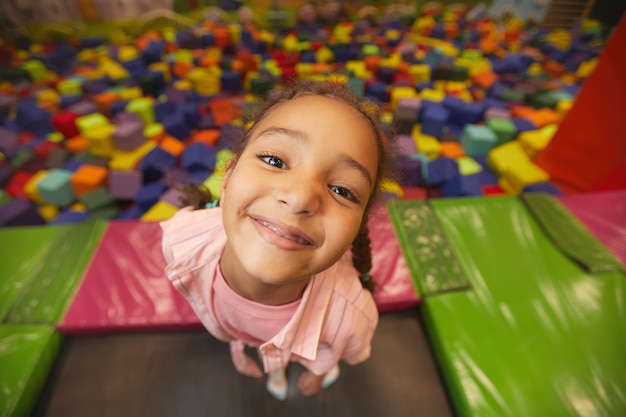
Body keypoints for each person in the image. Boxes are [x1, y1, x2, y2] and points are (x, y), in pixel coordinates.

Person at [160, 79, 393, 400]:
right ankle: (276, 366)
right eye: (274, 161)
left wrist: (318, 371)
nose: (299, 198)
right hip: (249, 336)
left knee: (310, 352)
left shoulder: (350, 315)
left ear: (357, 226)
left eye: (342, 190)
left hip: (312, 342)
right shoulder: (183, 241)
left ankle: (282, 367)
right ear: (227, 178)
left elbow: (344, 346)